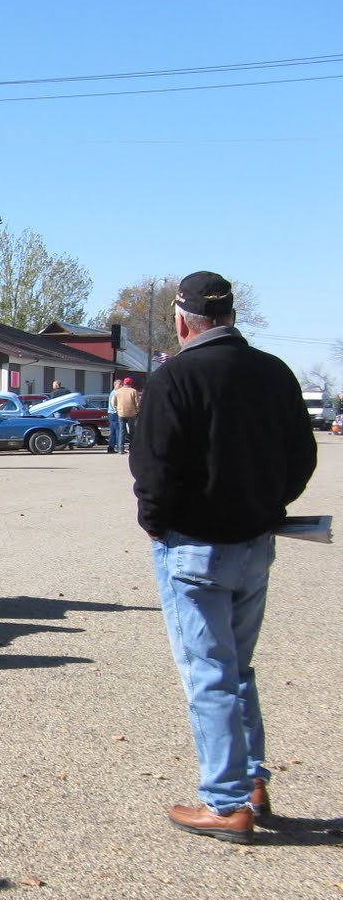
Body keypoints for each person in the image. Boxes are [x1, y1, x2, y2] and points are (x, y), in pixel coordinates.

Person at [130, 270, 316, 844]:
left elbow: (152, 470)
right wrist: (265, 504)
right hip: (254, 545)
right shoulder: (275, 373)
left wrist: (159, 527)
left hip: (192, 547)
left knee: (209, 673)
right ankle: (251, 781)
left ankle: (227, 801)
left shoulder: (175, 377)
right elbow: (301, 459)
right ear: (232, 315)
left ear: (183, 321)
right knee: (237, 668)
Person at [113, 376, 140, 453]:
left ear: (124, 383)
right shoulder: (134, 391)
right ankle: (132, 448)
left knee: (122, 431)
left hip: (121, 413)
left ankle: (121, 448)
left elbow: (114, 402)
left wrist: (117, 410)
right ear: (130, 383)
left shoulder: (118, 391)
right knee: (132, 431)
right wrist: (137, 411)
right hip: (131, 413)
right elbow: (137, 403)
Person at [106, 379, 123, 454]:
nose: (122, 386)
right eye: (121, 385)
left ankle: (111, 447)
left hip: (111, 413)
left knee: (113, 431)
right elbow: (113, 403)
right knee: (118, 430)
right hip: (114, 413)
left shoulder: (112, 392)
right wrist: (117, 409)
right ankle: (118, 447)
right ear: (117, 385)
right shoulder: (115, 393)